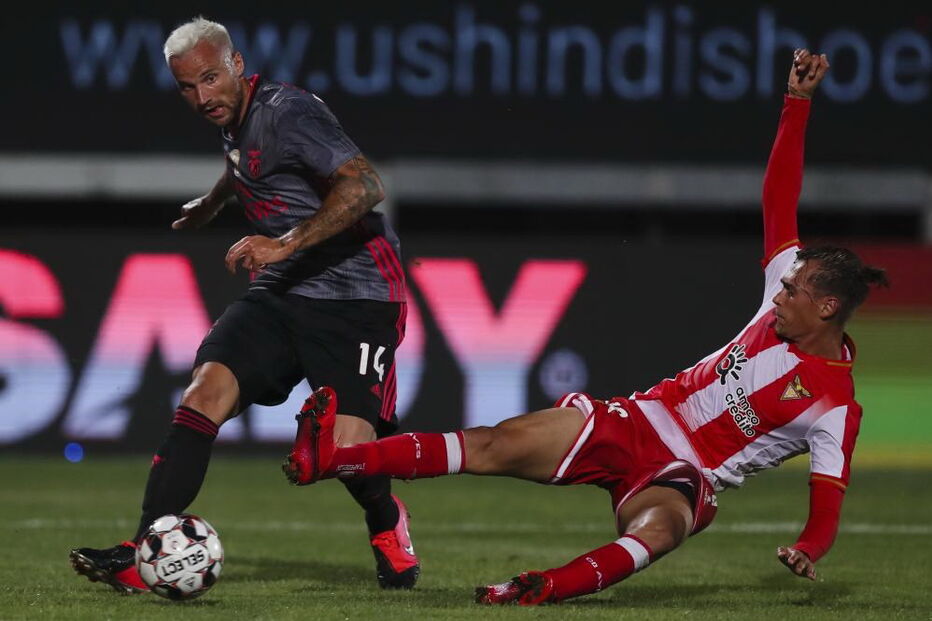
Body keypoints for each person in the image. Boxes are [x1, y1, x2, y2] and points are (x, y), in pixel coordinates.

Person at [282, 49, 890, 605]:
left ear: (828, 308)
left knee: (662, 531)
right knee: (494, 445)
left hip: (684, 474)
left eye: (794, 290)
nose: (780, 290)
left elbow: (827, 503)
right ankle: (333, 459)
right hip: (640, 419)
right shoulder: (783, 287)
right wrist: (797, 103)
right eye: (784, 283)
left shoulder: (835, 405)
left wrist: (808, 548)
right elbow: (779, 198)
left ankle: (543, 588)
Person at [70, 16, 418, 593]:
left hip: (356, 294)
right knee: (204, 393)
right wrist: (212, 203)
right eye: (187, 87)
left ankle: (387, 519)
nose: (202, 97)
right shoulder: (236, 116)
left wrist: (281, 244)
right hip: (282, 291)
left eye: (210, 78)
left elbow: (364, 187)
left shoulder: (288, 110)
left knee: (347, 452)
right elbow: (248, 166)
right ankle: (142, 548)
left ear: (237, 65)